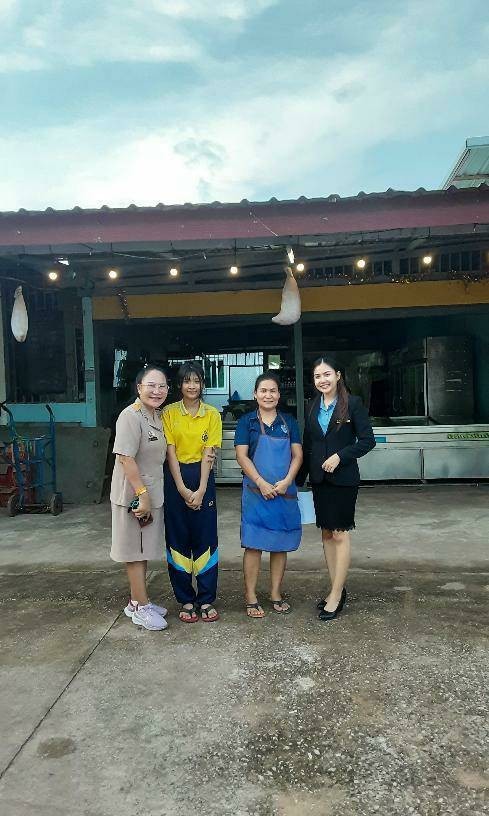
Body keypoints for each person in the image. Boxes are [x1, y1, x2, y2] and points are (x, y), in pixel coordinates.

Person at [298, 356, 376, 621]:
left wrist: (341, 456)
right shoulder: (312, 406)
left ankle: (335, 595)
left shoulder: (352, 404)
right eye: (318, 376)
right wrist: (298, 481)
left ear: (338, 375)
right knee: (327, 534)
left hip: (343, 480)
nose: (323, 380)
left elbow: (367, 440)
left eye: (327, 374)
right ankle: (337, 589)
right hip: (320, 480)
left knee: (340, 534)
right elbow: (309, 445)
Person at [234, 372, 303, 618]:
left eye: (273, 390)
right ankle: (251, 595)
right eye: (263, 390)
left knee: (279, 544)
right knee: (254, 544)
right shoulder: (247, 422)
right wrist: (261, 482)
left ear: (279, 394)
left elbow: (298, 455)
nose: (268, 395)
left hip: (283, 492)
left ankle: (275, 593)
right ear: (255, 394)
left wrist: (287, 481)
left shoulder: (289, 422)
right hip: (256, 493)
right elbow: (241, 456)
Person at [110, 365, 170, 631]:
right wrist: (142, 494)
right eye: (151, 386)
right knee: (134, 552)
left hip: (151, 492)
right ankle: (141, 609)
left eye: (162, 386)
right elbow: (125, 458)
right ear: (139, 388)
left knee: (143, 550)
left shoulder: (156, 415)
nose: (157, 391)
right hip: (133, 496)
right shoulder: (130, 416)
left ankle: (136, 602)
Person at [163, 361, 222, 623]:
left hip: (203, 477)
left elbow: (209, 453)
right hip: (175, 477)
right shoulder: (168, 413)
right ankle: (186, 599)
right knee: (177, 538)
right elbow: (170, 452)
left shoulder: (212, 414)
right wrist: (181, 488)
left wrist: (200, 490)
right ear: (179, 385)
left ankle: (206, 599)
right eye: (187, 381)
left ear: (202, 384)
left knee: (205, 537)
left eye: (196, 381)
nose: (192, 386)